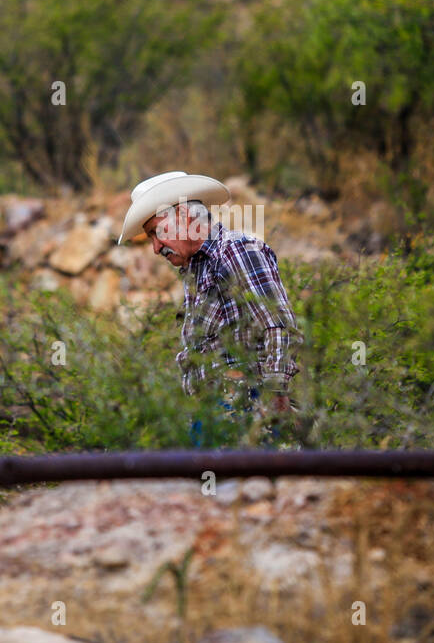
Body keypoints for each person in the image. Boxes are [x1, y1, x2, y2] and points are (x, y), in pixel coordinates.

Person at [116, 171, 301, 447]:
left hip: (244, 408)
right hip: (216, 412)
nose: (155, 248)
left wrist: (275, 395)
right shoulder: (197, 268)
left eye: (156, 232)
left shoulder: (237, 251)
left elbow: (279, 325)